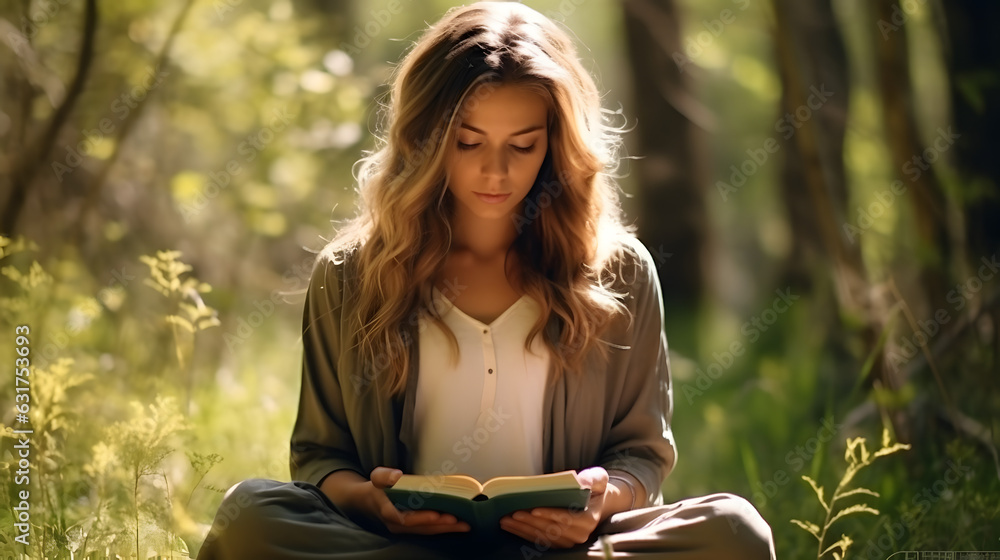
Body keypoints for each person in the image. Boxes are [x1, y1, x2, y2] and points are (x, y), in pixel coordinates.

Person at [196, 2, 775, 558]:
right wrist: (374, 503)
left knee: (733, 531)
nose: (495, 171)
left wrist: (600, 503)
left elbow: (642, 456)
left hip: (562, 552)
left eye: (522, 145)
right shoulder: (352, 276)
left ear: (555, 145)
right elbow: (321, 457)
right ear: (425, 138)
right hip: (401, 548)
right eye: (468, 142)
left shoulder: (619, 272)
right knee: (250, 518)